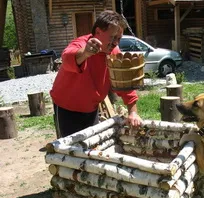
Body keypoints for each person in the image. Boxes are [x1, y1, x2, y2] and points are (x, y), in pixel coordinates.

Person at [50, 10, 142, 138]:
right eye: (112, 37)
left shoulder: (114, 51)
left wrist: (133, 112)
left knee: (91, 147)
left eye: (118, 39)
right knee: (70, 151)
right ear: (98, 32)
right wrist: (86, 53)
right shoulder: (82, 44)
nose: (115, 42)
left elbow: (124, 83)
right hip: (67, 109)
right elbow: (67, 59)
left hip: (91, 109)